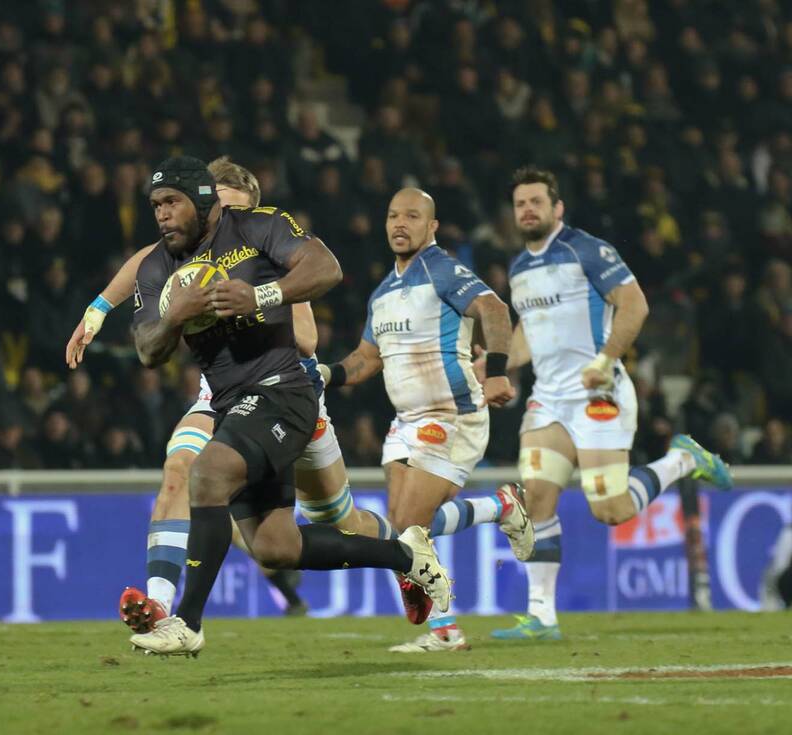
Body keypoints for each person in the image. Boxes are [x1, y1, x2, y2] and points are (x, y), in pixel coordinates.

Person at [127, 156, 450, 656]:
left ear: (202, 199)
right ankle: (405, 557)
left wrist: (261, 295)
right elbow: (148, 350)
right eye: (155, 205)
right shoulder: (156, 266)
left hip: (283, 391)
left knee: (205, 474)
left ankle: (185, 622)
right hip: (233, 405)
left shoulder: (259, 226)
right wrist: (175, 317)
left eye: (172, 202)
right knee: (275, 547)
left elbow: (326, 268)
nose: (163, 214)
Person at [67, 157, 387, 630]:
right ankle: (161, 604)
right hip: (222, 392)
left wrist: (249, 299)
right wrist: (98, 310)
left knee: (339, 522)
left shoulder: (267, 252)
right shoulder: (183, 253)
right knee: (181, 469)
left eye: (234, 211)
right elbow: (142, 262)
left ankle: (403, 552)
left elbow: (306, 341)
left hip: (287, 390)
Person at [486, 167, 731, 641]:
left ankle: (682, 460)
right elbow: (528, 334)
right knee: (536, 498)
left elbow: (635, 304)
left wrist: (605, 359)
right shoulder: (518, 268)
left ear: (557, 208)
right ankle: (542, 616)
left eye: (536, 201)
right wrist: (496, 363)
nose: (528, 210)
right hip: (549, 399)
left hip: (599, 394)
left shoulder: (587, 250)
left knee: (612, 511)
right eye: (520, 204)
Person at [320, 188, 534, 653]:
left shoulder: (442, 270)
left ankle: (446, 630)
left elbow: (494, 309)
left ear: (431, 226)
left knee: (411, 527)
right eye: (393, 215)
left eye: (413, 216)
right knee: (405, 529)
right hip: (405, 421)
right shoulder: (383, 293)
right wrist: (325, 374)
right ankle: (500, 507)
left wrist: (498, 371)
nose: (400, 223)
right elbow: (366, 358)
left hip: (451, 414)